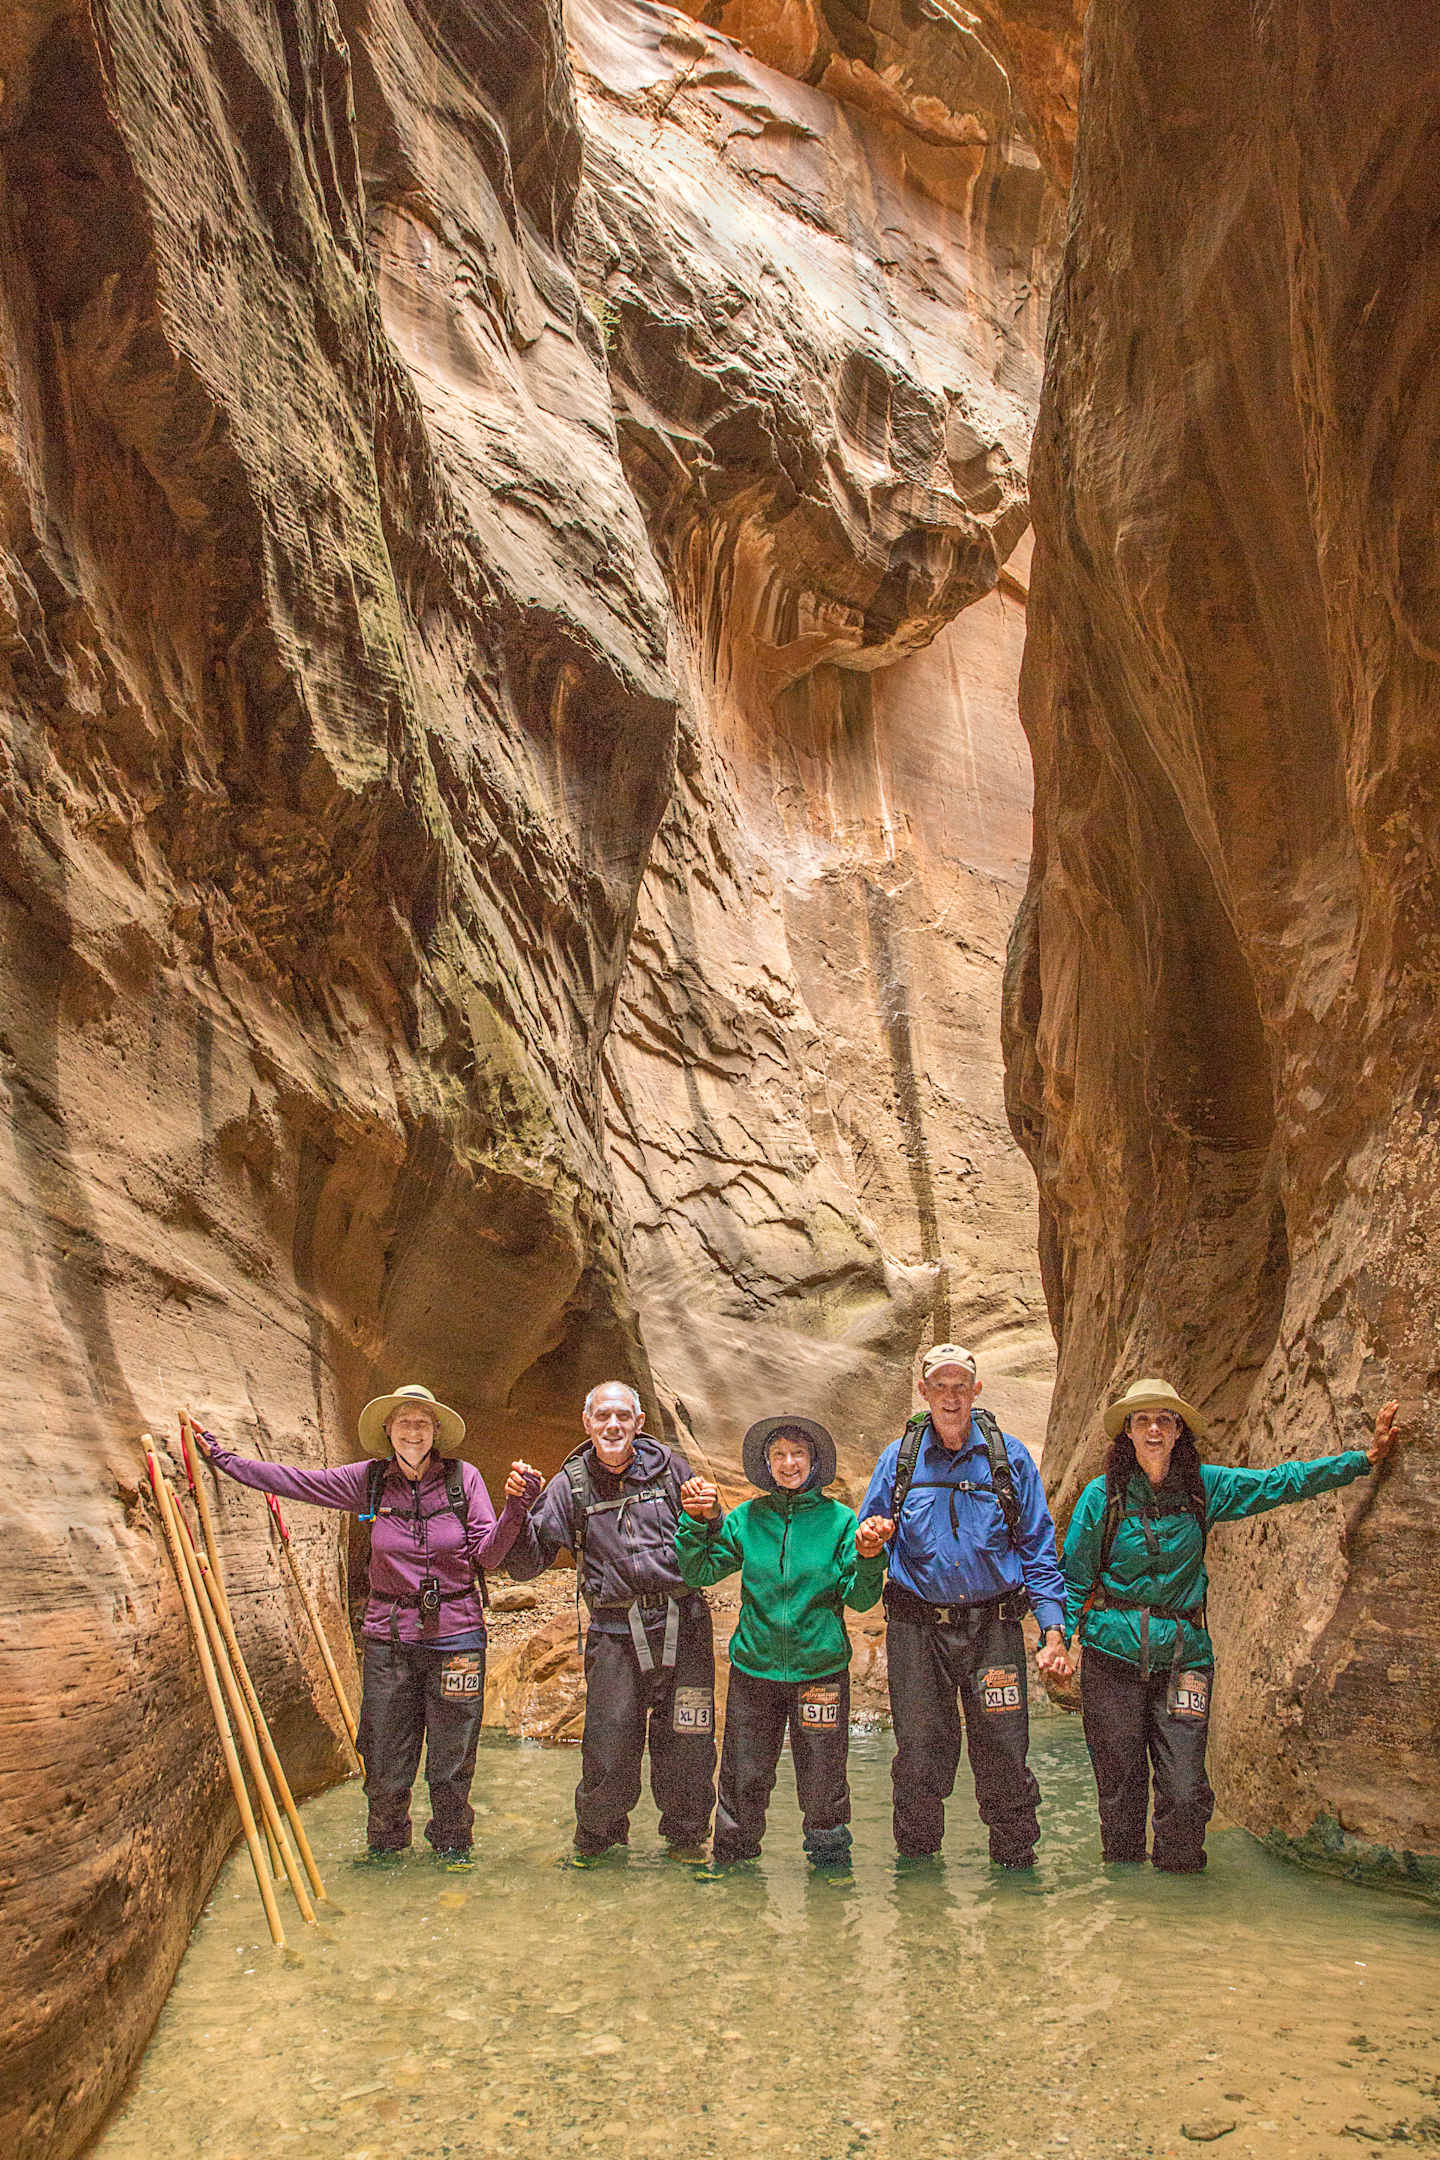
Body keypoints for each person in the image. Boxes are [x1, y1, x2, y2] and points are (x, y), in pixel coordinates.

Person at [1060, 1377, 1401, 1873]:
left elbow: (1278, 1483)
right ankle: (1126, 1910)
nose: (1154, 1429)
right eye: (1142, 1420)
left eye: (1164, 1420)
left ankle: (1182, 1902)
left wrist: (1361, 1461)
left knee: (1182, 1789)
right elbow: (1073, 1580)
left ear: (1179, 1431)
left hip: (1184, 1659)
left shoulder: (1204, 1486)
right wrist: (1058, 1639)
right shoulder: (1103, 1496)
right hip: (1111, 1659)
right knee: (1119, 1789)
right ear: (1127, 1433)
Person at [195, 1384, 538, 1867]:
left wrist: (516, 1509)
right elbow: (297, 1481)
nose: (413, 1430)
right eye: (404, 1421)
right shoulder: (369, 1481)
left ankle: (452, 1849)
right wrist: (226, 1461)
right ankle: (386, 1852)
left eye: (423, 1422)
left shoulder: (465, 1480)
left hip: (457, 1637)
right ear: (388, 1431)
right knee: (383, 1754)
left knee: (452, 1757)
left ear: (436, 1430)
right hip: (389, 1639)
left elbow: (490, 1555)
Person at [859, 1344, 1072, 1868]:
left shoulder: (1009, 1457)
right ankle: (918, 1877)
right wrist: (869, 1541)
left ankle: (1018, 1878)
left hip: (994, 1631)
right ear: (924, 1391)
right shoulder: (900, 1459)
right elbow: (866, 1541)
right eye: (940, 1386)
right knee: (919, 1757)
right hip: (917, 1631)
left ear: (976, 1391)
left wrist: (1053, 1631)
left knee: (1003, 1753)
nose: (950, 1396)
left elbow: (1039, 1550)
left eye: (961, 1386)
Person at [505, 1381, 717, 1860]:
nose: (613, 1425)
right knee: (609, 1746)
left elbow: (709, 1538)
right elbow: (525, 1565)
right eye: (602, 1416)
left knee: (689, 1739)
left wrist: (710, 1514)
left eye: (623, 1416)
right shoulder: (572, 1483)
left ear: (639, 1423)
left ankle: (687, 1841)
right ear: (588, 1423)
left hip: (684, 1627)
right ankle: (598, 1846)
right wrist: (518, 1510)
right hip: (615, 1635)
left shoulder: (670, 1469)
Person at [675, 1416, 891, 1867]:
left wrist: (870, 1557)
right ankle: (733, 1865)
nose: (788, 1463)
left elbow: (861, 1595)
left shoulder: (840, 1522)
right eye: (779, 1455)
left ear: (814, 1463)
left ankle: (831, 1873)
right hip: (754, 1671)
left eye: (798, 1455)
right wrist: (695, 1524)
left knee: (823, 1780)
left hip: (821, 1673)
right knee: (744, 1775)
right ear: (766, 1463)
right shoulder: (747, 1520)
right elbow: (699, 1572)